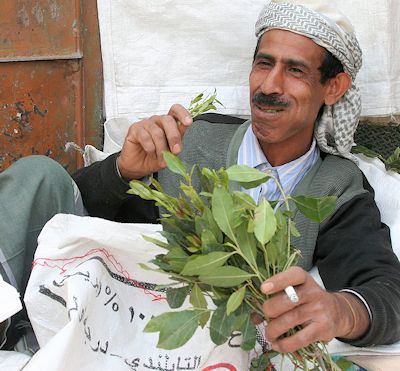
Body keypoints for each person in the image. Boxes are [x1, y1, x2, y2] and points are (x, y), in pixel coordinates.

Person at [1, 0, 400, 359]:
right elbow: (78, 212)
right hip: (113, 303)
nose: (269, 86)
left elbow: (385, 291)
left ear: (333, 87)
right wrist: (122, 170)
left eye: (295, 70)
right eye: (264, 63)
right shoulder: (195, 138)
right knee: (39, 174)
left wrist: (340, 311)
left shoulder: (336, 185)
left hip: (194, 347)